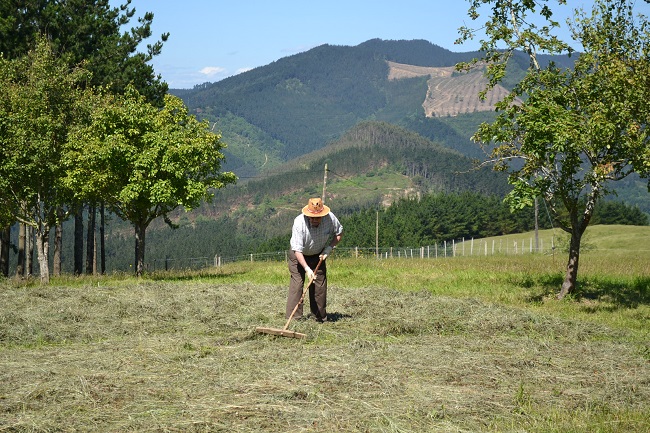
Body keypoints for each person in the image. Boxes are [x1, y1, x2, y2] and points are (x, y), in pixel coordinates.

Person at [286, 197, 343, 322]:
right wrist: (307, 269)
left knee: (320, 285)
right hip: (298, 255)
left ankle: (319, 317)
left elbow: (339, 233)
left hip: (318, 255)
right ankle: (294, 318)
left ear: (323, 215)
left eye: (318, 217)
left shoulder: (330, 218)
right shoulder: (299, 222)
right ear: (307, 215)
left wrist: (329, 248)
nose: (315, 220)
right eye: (312, 217)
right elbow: (297, 250)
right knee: (298, 284)